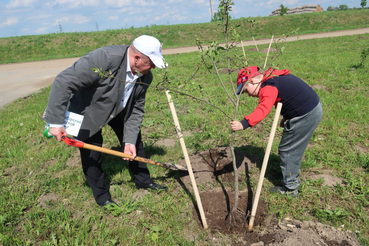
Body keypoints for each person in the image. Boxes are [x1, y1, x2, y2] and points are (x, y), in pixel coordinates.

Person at [42, 35, 168, 208]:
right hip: (89, 110)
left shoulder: (146, 76)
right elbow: (64, 81)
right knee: (91, 153)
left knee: (135, 142)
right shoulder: (105, 59)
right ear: (137, 58)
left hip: (118, 109)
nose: (153, 67)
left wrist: (129, 140)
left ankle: (143, 180)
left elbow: (136, 109)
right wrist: (56, 122)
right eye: (151, 62)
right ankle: (102, 197)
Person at [230, 66, 323, 197]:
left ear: (251, 82)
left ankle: (291, 188)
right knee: (290, 148)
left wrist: (243, 124)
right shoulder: (273, 77)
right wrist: (287, 116)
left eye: (246, 90)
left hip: (306, 114)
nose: (249, 95)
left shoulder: (268, 87)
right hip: (310, 108)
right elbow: (290, 96)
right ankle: (292, 174)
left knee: (288, 150)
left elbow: (263, 109)